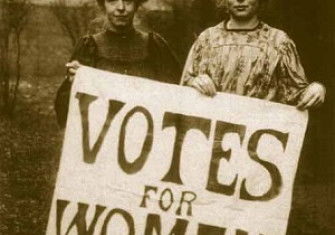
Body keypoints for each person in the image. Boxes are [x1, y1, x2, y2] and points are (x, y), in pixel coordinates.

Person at [55, 0, 181, 128]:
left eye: (128, 1)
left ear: (136, 4)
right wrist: (73, 83)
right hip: (101, 142)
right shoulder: (88, 49)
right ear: (103, 4)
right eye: (112, 0)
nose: (121, 7)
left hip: (147, 141)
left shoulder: (155, 47)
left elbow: (178, 102)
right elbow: (64, 116)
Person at [181, 0, 326, 110]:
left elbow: (295, 95)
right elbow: (182, 91)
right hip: (213, 139)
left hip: (257, 141)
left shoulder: (279, 42)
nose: (240, 0)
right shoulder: (207, 39)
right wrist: (194, 82)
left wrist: (316, 89)